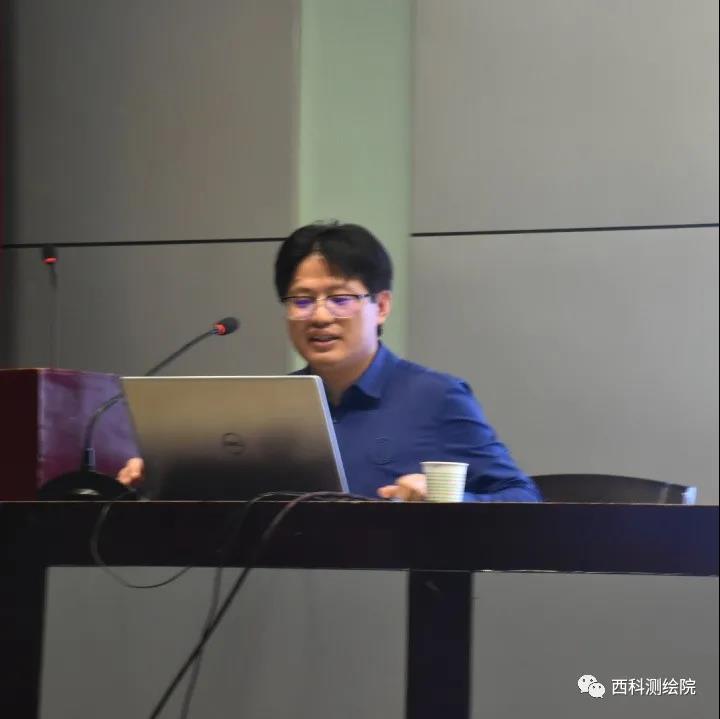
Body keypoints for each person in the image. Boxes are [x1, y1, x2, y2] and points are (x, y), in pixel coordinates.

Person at [119, 222, 540, 502]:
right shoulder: (270, 408)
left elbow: (522, 498)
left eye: (340, 298)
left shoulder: (436, 397)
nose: (320, 316)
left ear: (382, 306)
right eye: (301, 300)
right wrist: (166, 479)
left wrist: (448, 500)